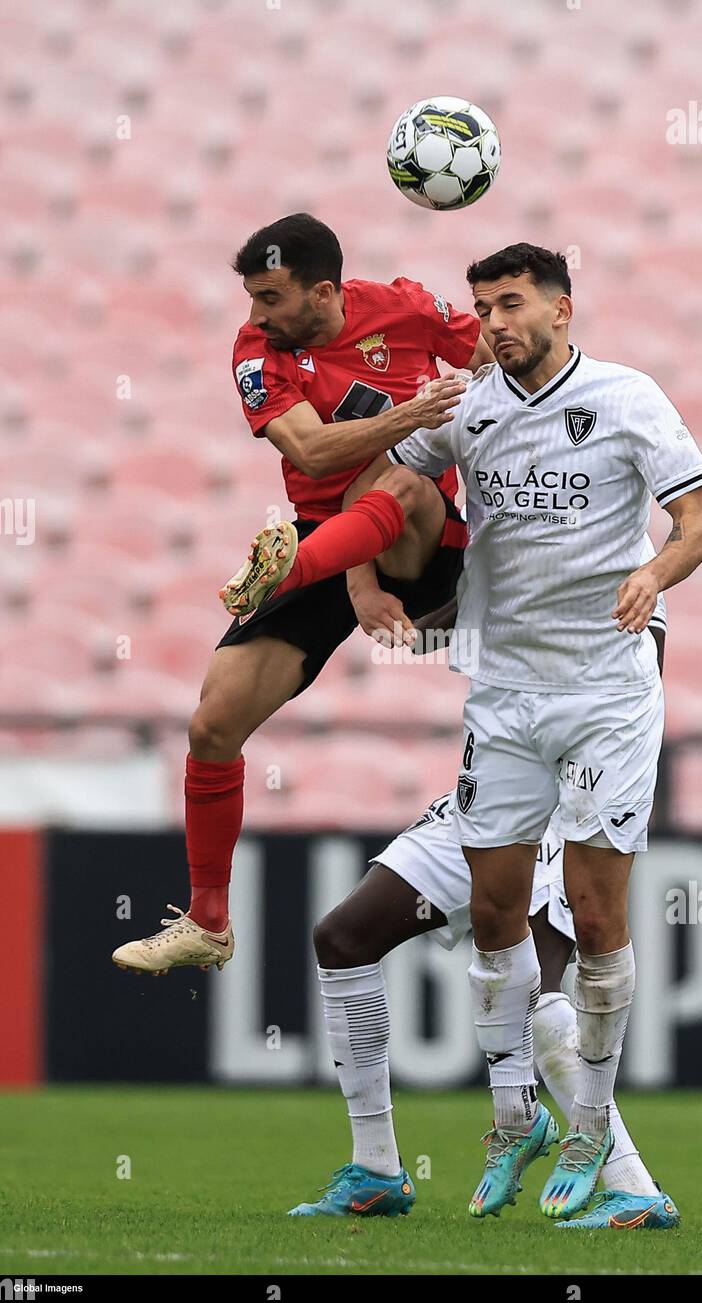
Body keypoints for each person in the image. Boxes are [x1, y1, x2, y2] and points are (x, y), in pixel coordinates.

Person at [260, 242, 702, 1218]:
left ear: (561, 307)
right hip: (503, 718)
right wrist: (356, 579)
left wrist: (652, 574)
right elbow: (384, 493)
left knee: (579, 945)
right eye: (481, 306)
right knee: (354, 934)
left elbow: (696, 528)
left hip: (592, 726)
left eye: (511, 303)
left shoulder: (628, 401)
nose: (494, 321)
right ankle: (435, 1151)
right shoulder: (468, 410)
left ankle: (617, 1170)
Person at [112, 213, 489, 978]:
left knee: (409, 477)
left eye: (270, 298)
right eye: (251, 298)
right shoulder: (259, 351)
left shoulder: (408, 308)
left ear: (323, 291)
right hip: (333, 538)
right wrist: (413, 416)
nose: (255, 316)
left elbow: (494, 357)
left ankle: (289, 569)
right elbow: (311, 448)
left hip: (430, 550)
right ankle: (209, 923)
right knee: (213, 724)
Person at [291, 597, 679, 1230]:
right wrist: (380, 604)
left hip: (567, 793)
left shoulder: (616, 542)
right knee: (343, 938)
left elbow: (641, 670)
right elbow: (427, 637)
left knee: (541, 1003)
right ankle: (377, 1170)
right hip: (489, 793)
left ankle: (632, 1188)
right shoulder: (500, 518)